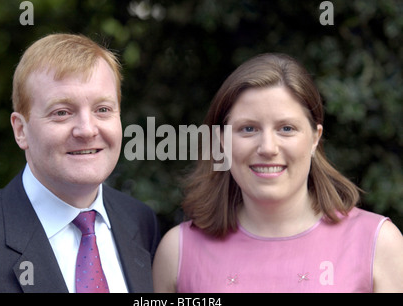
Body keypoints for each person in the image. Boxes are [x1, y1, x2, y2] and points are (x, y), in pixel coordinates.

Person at [153, 53, 403, 293]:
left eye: (286, 128)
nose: (268, 148)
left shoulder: (377, 244)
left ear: (315, 138)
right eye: (248, 128)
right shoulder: (178, 252)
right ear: (221, 141)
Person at [0, 33, 161, 293]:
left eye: (103, 110)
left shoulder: (141, 223)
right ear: (21, 130)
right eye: (62, 112)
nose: (86, 130)